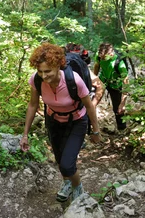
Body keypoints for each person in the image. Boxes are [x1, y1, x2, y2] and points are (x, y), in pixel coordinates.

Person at [20, 43, 101, 202]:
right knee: (59, 157)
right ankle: (67, 183)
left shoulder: (73, 80)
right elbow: (32, 105)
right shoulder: (36, 80)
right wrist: (25, 134)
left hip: (77, 121)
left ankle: (77, 187)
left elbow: (89, 105)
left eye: (48, 71)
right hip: (54, 121)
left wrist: (96, 131)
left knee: (67, 164)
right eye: (40, 71)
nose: (44, 76)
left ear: (58, 66)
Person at [93, 42, 128, 130]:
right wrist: (93, 80)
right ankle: (88, 123)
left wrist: (123, 103)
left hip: (116, 84)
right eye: (101, 57)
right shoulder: (99, 56)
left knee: (118, 109)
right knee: (93, 101)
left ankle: (121, 128)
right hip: (103, 80)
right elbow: (97, 66)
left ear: (111, 54)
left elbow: (126, 83)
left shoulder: (119, 63)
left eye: (105, 57)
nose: (103, 59)